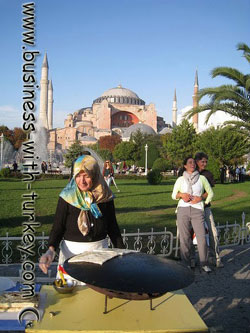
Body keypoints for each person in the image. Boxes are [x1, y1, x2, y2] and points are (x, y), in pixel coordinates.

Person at [39, 155, 125, 281]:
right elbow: (58, 227)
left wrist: (122, 253)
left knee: (97, 296)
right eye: (78, 176)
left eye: (86, 176)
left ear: (94, 174)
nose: (82, 181)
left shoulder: (105, 196)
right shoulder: (67, 197)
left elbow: (112, 227)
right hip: (71, 257)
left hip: (99, 256)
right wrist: (50, 250)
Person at [172, 156, 214, 273]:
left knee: (201, 238)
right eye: (189, 162)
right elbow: (173, 195)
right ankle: (186, 263)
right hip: (183, 210)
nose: (192, 164)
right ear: (185, 166)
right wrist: (181, 195)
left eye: (193, 162)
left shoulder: (202, 179)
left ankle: (204, 263)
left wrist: (201, 200)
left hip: (197, 210)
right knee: (184, 238)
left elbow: (210, 193)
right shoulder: (180, 179)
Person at [195, 152, 223, 268]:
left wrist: (201, 198)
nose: (205, 164)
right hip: (192, 207)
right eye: (202, 161)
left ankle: (214, 256)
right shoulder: (190, 173)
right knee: (190, 233)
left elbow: (209, 190)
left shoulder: (208, 174)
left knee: (213, 232)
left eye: (206, 161)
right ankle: (190, 258)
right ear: (197, 161)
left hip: (205, 206)